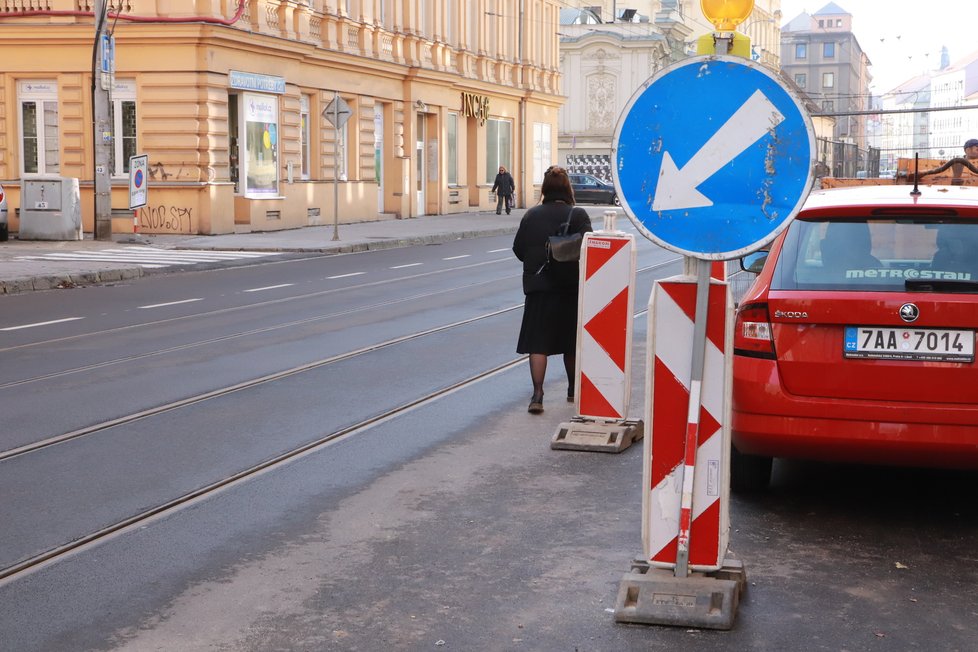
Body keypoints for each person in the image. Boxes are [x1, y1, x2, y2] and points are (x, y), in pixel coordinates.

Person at [512, 166, 593, 414]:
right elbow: (591, 248)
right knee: (570, 341)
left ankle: (537, 395)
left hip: (538, 288)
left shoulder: (531, 215)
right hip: (569, 287)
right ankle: (572, 389)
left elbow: (518, 249)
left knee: (538, 342)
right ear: (568, 188)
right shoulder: (578, 215)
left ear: (545, 189)